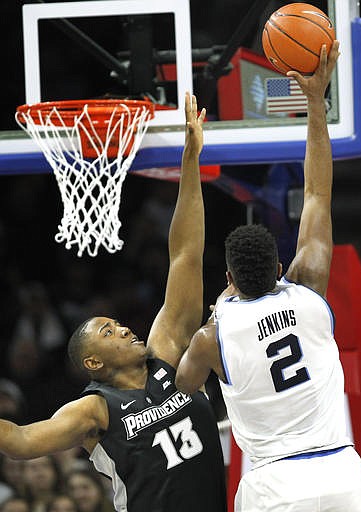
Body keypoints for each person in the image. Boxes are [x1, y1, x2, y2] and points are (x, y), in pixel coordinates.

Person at [0, 93, 227, 512]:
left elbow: (185, 255)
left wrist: (190, 162)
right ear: (92, 363)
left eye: (117, 325)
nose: (124, 328)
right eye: (109, 331)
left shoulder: (167, 354)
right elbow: (19, 440)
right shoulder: (94, 410)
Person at [176, 42, 361, 511]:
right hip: (342, 472)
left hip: (274, 485)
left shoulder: (212, 336)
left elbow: (182, 386)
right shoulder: (309, 287)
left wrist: (222, 309)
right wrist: (315, 103)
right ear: (281, 267)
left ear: (228, 276)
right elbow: (318, 193)